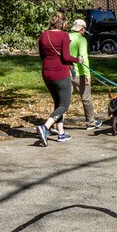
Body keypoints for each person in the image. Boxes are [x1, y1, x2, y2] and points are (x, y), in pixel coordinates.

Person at [36, 12, 83, 146]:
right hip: (60, 73)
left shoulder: (44, 35)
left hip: (46, 72)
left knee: (58, 102)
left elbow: (42, 55)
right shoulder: (64, 36)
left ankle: (61, 133)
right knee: (64, 105)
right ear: (63, 23)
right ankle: (45, 127)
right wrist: (78, 60)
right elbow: (66, 57)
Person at [69, 19, 102, 130]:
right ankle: (90, 122)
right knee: (86, 98)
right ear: (82, 29)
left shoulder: (66, 37)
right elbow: (83, 57)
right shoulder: (82, 40)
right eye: (84, 29)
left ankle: (55, 123)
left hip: (66, 72)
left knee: (64, 100)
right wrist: (88, 75)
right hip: (80, 73)